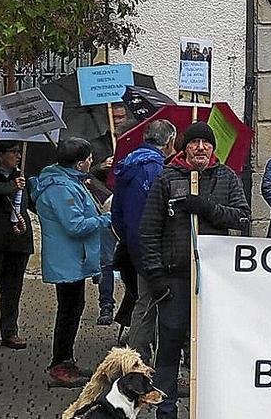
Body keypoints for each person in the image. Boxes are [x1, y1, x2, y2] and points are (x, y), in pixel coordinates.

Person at [140, 122, 250, 418]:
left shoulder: (227, 177)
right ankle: (165, 408)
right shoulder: (167, 178)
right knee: (170, 343)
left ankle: (212, 405)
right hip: (175, 278)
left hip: (214, 280)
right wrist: (156, 276)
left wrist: (207, 208)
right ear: (185, 147)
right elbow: (149, 231)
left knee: (211, 345)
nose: (200, 148)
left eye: (206, 143)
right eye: (194, 143)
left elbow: (242, 218)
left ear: (213, 148)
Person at [30, 137, 112, 387]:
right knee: (68, 311)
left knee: (73, 309)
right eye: (88, 158)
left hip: (73, 259)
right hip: (67, 261)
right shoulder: (60, 188)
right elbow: (75, 225)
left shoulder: (68, 181)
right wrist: (105, 219)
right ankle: (60, 364)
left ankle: (66, 360)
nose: (92, 161)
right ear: (79, 163)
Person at [111, 119, 177, 359]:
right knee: (154, 302)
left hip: (132, 242)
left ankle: (134, 358)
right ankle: (143, 361)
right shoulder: (158, 169)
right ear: (169, 141)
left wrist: (127, 238)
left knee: (142, 301)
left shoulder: (127, 164)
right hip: (154, 245)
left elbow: (116, 212)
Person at [0, 141, 33, 353]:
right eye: (13, 152)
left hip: (17, 241)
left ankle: (9, 331)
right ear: (0, 155)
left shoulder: (22, 175)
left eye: (19, 152)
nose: (18, 156)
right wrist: (11, 187)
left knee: (13, 289)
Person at [88, 102, 129, 326]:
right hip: (105, 208)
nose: (119, 119)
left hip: (127, 209)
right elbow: (86, 174)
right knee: (105, 260)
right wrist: (101, 167)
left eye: (122, 116)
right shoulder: (97, 144)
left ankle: (127, 307)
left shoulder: (134, 141)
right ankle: (106, 305)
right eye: (116, 116)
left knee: (129, 261)